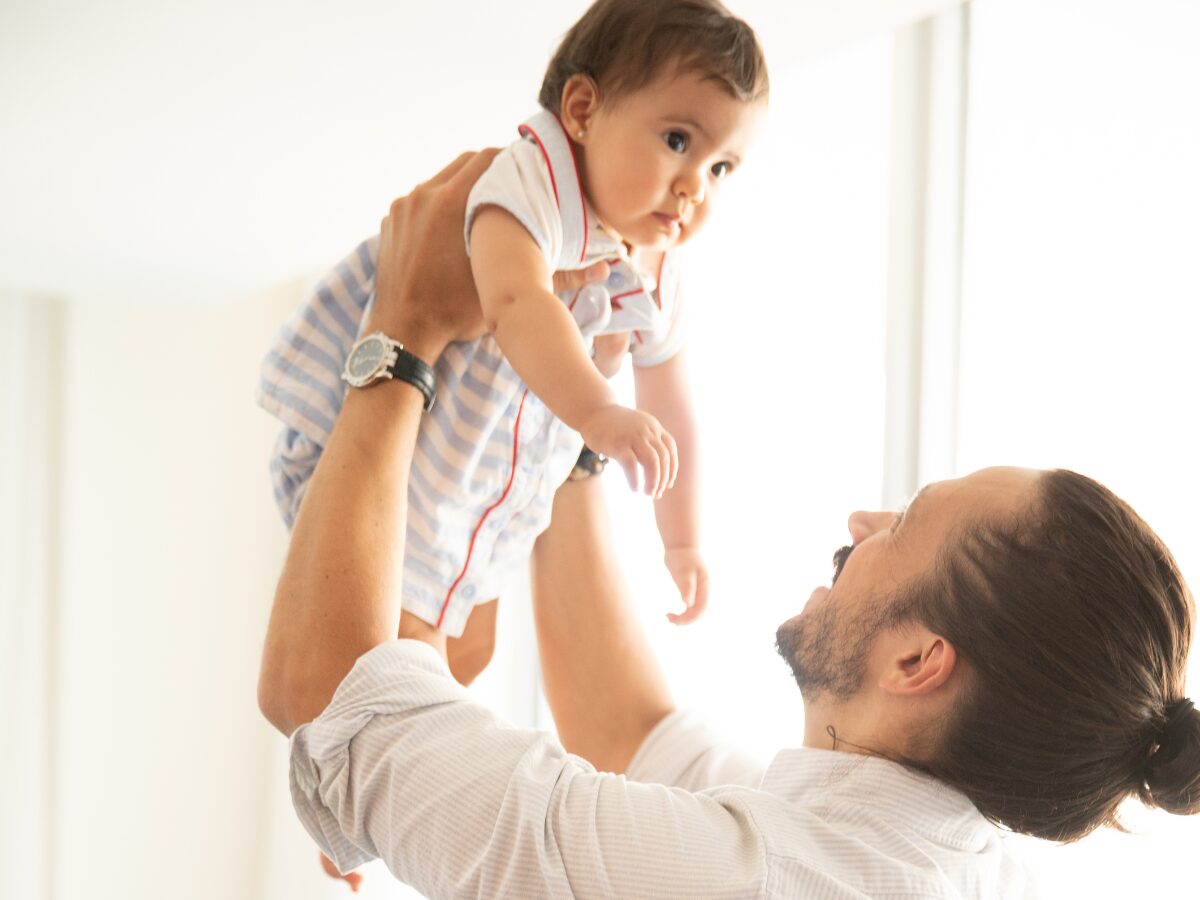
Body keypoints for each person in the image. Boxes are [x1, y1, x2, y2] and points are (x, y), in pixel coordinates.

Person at [257, 153, 1200, 898]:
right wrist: (577, 421)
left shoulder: (741, 881)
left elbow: (330, 697)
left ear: (919, 661)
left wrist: (407, 329)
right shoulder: (918, 858)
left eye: (905, 525)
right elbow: (623, 726)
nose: (862, 520)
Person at [256, 0, 769, 689]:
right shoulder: (532, 183)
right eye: (679, 141)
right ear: (582, 111)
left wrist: (680, 538)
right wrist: (599, 414)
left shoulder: (653, 264)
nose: (693, 189)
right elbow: (515, 301)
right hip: (413, 456)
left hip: (487, 487)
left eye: (722, 169)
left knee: (469, 655)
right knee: (378, 666)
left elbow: (674, 406)